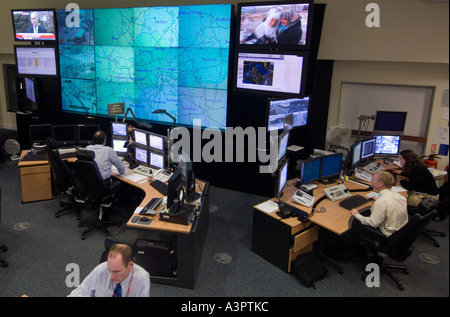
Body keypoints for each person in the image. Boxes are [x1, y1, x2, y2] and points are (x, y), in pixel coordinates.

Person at [68, 243, 150, 297]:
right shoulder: (100, 271)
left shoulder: (141, 279)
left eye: (117, 272)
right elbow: (78, 294)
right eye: (109, 270)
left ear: (130, 265)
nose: (111, 276)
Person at [350, 171, 408, 242]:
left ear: (380, 184)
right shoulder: (399, 196)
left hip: (388, 235)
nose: (371, 181)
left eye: (373, 180)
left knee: (353, 226)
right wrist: (378, 201)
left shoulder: (381, 202)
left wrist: (357, 214)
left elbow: (373, 223)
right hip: (402, 231)